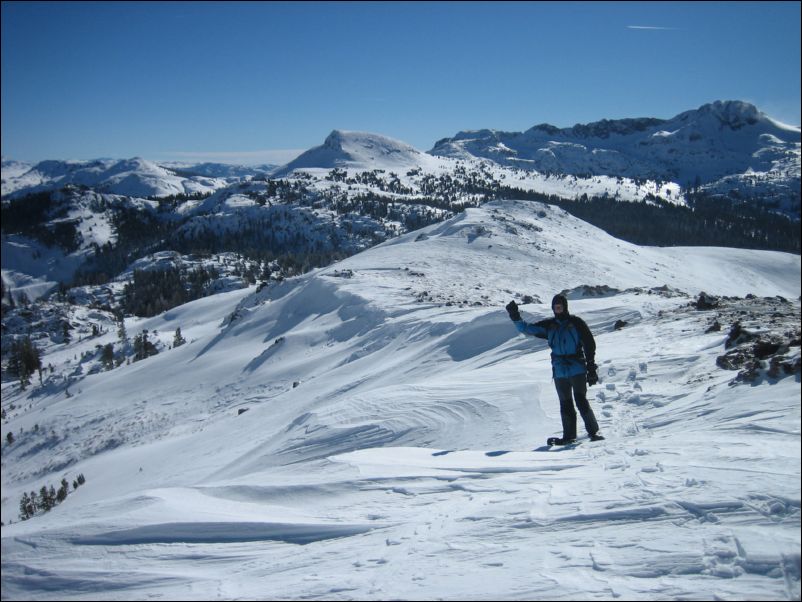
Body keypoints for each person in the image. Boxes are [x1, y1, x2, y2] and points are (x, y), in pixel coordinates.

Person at [506, 294, 604, 445]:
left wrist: (590, 366)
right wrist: (515, 316)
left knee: (580, 400)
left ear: (565, 307)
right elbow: (527, 329)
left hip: (577, 368)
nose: (557, 309)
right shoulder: (549, 325)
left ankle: (594, 432)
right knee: (565, 403)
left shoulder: (576, 323)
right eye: (555, 307)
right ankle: (569, 436)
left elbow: (589, 344)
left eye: (560, 306)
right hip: (559, 371)